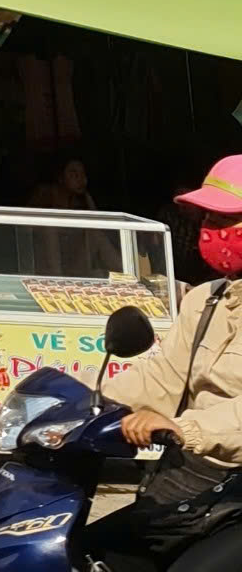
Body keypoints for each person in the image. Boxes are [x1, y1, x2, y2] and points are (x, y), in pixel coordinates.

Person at [90, 154, 242, 572]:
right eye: (208, 217)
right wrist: (85, 397)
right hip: (191, 483)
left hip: (235, 492)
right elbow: (164, 376)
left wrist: (183, 428)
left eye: (226, 219)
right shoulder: (206, 299)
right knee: (87, 552)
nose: (211, 228)